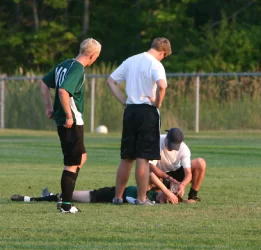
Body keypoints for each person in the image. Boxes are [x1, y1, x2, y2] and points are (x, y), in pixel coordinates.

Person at [106, 37, 172, 205]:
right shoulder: (155, 64)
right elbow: (162, 85)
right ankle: (142, 199)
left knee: (127, 157)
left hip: (130, 111)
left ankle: (118, 197)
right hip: (147, 112)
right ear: (162, 52)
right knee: (143, 158)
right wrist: (157, 103)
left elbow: (111, 81)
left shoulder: (130, 60)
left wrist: (123, 100)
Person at [40, 38, 102, 213]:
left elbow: (44, 82)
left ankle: (66, 194)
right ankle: (66, 205)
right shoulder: (78, 69)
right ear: (92, 55)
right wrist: (68, 115)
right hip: (71, 121)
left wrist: (49, 107)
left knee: (81, 157)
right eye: (97, 56)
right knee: (72, 162)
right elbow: (63, 90)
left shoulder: (65, 64)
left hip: (66, 119)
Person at [11, 172, 180, 205]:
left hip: (110, 197)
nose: (166, 199)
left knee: (70, 196)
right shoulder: (151, 190)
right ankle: (38, 198)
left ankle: (33, 198)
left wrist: (174, 196)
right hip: (112, 192)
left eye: (168, 200)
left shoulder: (153, 203)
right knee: (70, 195)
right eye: (167, 197)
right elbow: (150, 175)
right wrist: (168, 190)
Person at [149, 128, 206, 202]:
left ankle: (192, 196)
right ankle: (157, 193)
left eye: (175, 146)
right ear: (166, 137)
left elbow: (188, 173)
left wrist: (182, 185)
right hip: (160, 176)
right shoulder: (157, 142)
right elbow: (151, 166)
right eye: (170, 145)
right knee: (149, 174)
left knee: (200, 163)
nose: (171, 148)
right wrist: (168, 178)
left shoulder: (184, 148)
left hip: (176, 173)